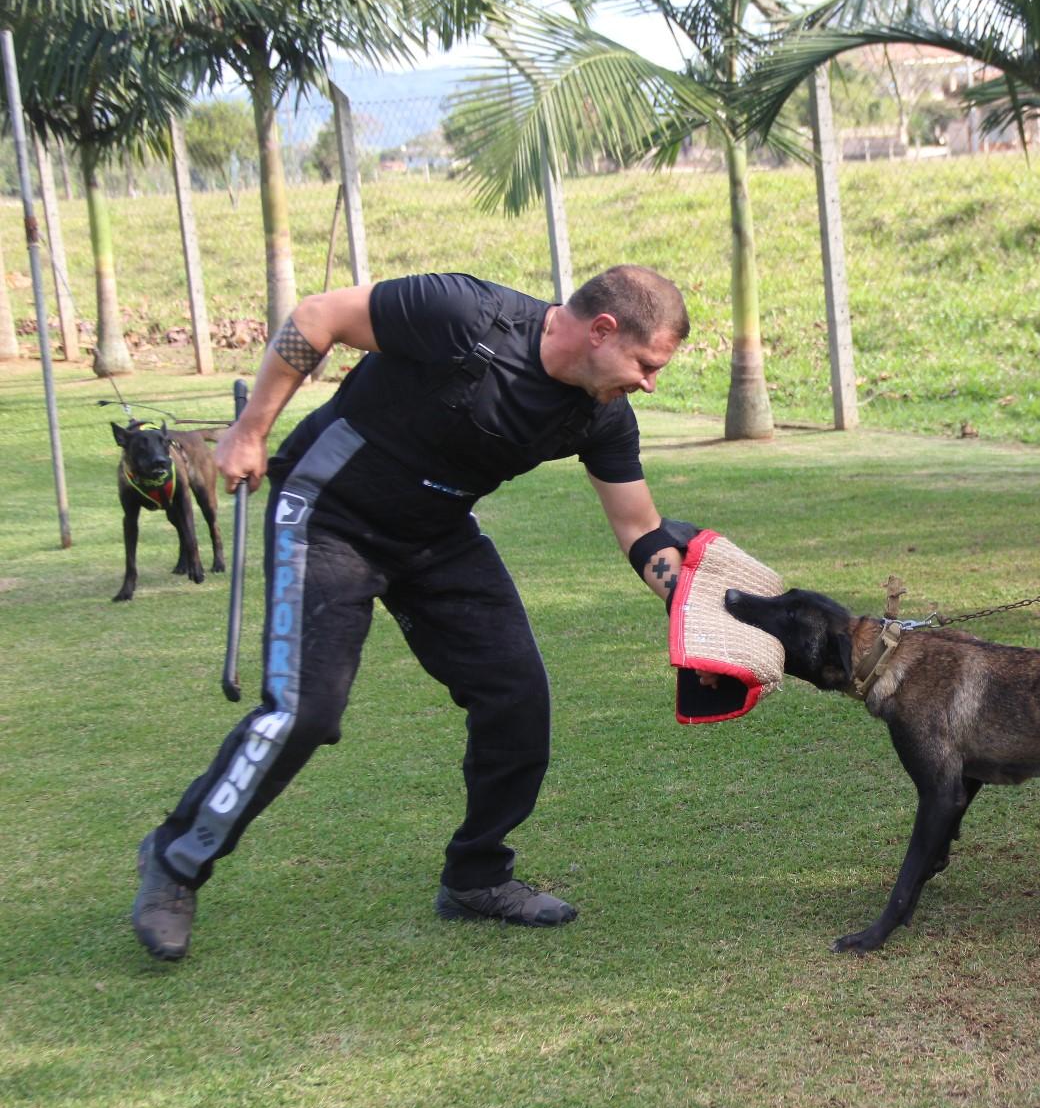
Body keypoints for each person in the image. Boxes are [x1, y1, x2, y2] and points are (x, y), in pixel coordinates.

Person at [132, 267, 700, 961]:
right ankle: (176, 858)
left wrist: (691, 602)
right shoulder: (468, 315)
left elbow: (638, 526)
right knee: (303, 712)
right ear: (603, 331)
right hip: (327, 514)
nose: (649, 383)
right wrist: (251, 430)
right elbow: (319, 316)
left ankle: (476, 878)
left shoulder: (600, 414)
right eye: (647, 365)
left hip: (435, 533)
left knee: (516, 697)